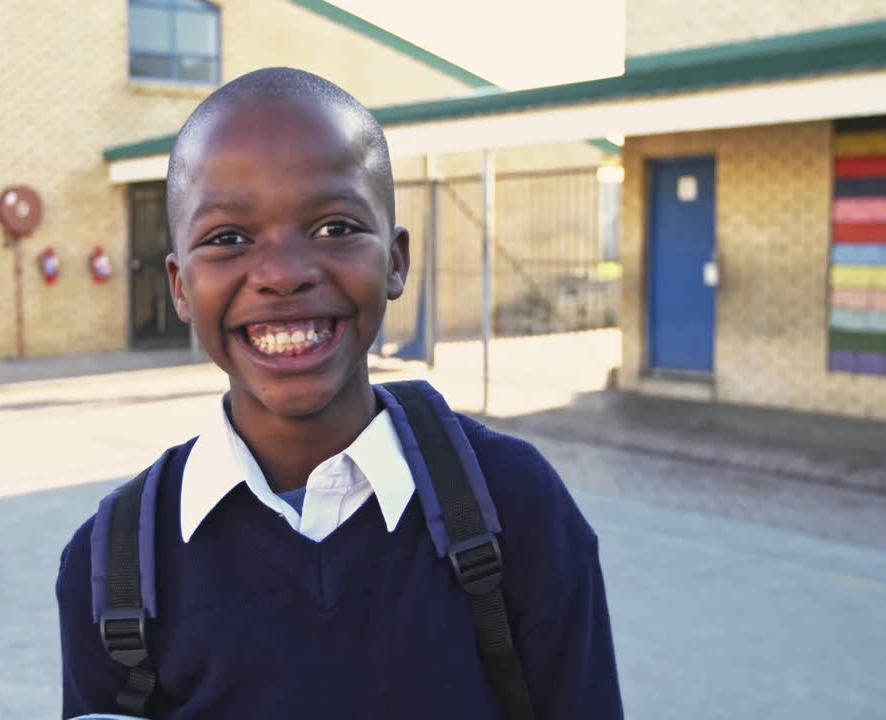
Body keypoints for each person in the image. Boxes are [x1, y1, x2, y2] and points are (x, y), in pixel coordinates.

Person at [56, 67, 622, 719]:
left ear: (396, 261)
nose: (283, 273)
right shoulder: (112, 568)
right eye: (228, 239)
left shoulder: (517, 508)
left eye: (335, 228)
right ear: (180, 287)